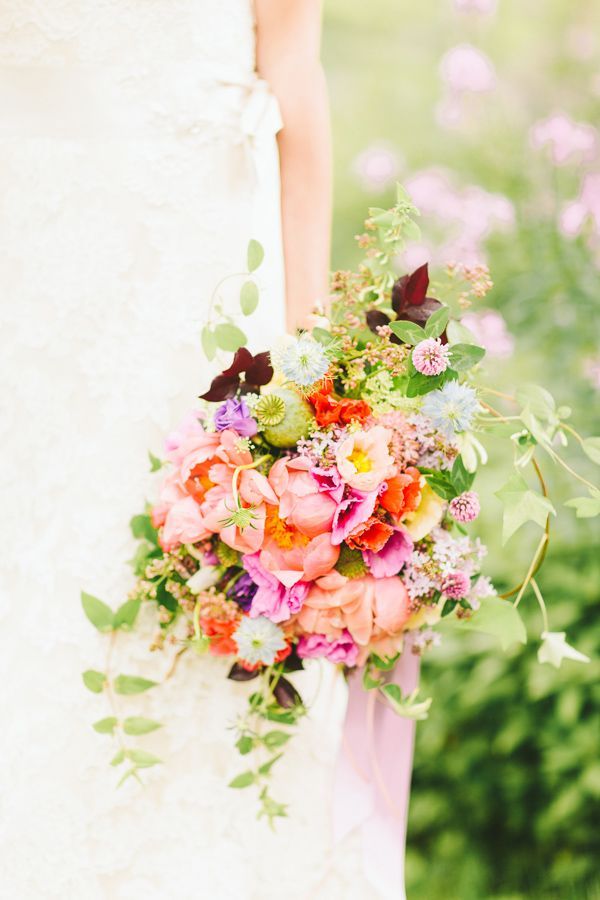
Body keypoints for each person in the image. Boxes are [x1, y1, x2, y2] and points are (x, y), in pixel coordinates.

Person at [0, 2, 374, 897]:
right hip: (24, 326)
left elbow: (294, 71)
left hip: (200, 342)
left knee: (195, 644)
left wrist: (315, 376)